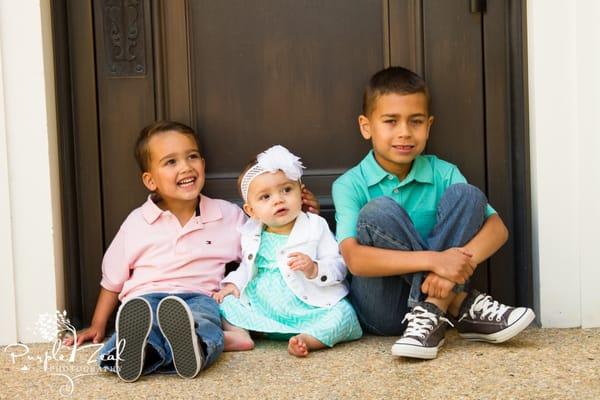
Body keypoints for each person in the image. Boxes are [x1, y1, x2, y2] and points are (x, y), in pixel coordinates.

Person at [63, 121, 320, 381]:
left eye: (192, 156)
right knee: (142, 323)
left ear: (203, 164)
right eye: (171, 162)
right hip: (144, 298)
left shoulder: (228, 216)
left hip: (199, 298)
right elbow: (112, 279)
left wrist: (300, 220)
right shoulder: (136, 222)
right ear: (150, 180)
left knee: (204, 324)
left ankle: (187, 348)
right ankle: (126, 352)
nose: (186, 167)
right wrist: (98, 325)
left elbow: (266, 244)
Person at [332, 66, 535, 360]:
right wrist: (439, 262)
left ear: (428, 126)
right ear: (366, 126)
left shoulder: (443, 172)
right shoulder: (350, 184)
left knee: (468, 196)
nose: (404, 132)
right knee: (378, 212)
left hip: (433, 301)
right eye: (391, 121)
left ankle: (432, 311)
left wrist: (452, 271)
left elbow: (498, 229)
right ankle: (458, 304)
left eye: (415, 122)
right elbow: (355, 259)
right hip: (383, 311)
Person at [213, 145, 362, 357]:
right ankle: (240, 334)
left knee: (344, 313)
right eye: (265, 197)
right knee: (226, 304)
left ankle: (307, 339)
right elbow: (247, 268)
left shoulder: (315, 225)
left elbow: (338, 264)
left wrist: (314, 268)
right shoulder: (252, 233)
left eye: (286, 190)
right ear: (251, 210)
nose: (278, 199)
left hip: (309, 308)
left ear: (301, 193)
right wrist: (232, 285)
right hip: (264, 308)